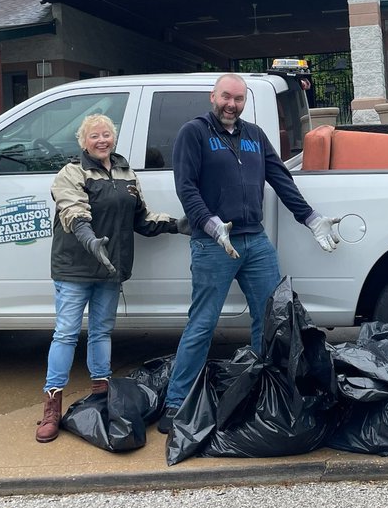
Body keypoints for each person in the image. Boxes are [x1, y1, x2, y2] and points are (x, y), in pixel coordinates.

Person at [158, 72, 342, 433]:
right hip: (213, 243)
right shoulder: (193, 133)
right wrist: (211, 225)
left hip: (254, 241)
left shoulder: (255, 136)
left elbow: (280, 178)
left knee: (271, 318)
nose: (231, 105)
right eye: (226, 97)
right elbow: (186, 187)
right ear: (213, 97)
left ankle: (262, 389)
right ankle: (176, 401)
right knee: (202, 323)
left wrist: (311, 218)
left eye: (238, 100)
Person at [35, 113, 191, 443]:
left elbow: (142, 218)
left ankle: (101, 394)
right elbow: (73, 210)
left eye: (106, 134)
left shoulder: (125, 171)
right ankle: (52, 407)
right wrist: (91, 240)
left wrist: (176, 224)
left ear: (114, 138)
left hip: (111, 269)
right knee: (65, 334)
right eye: (94, 136)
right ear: (83, 142)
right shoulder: (71, 172)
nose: (102, 140)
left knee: (102, 332)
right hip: (75, 269)